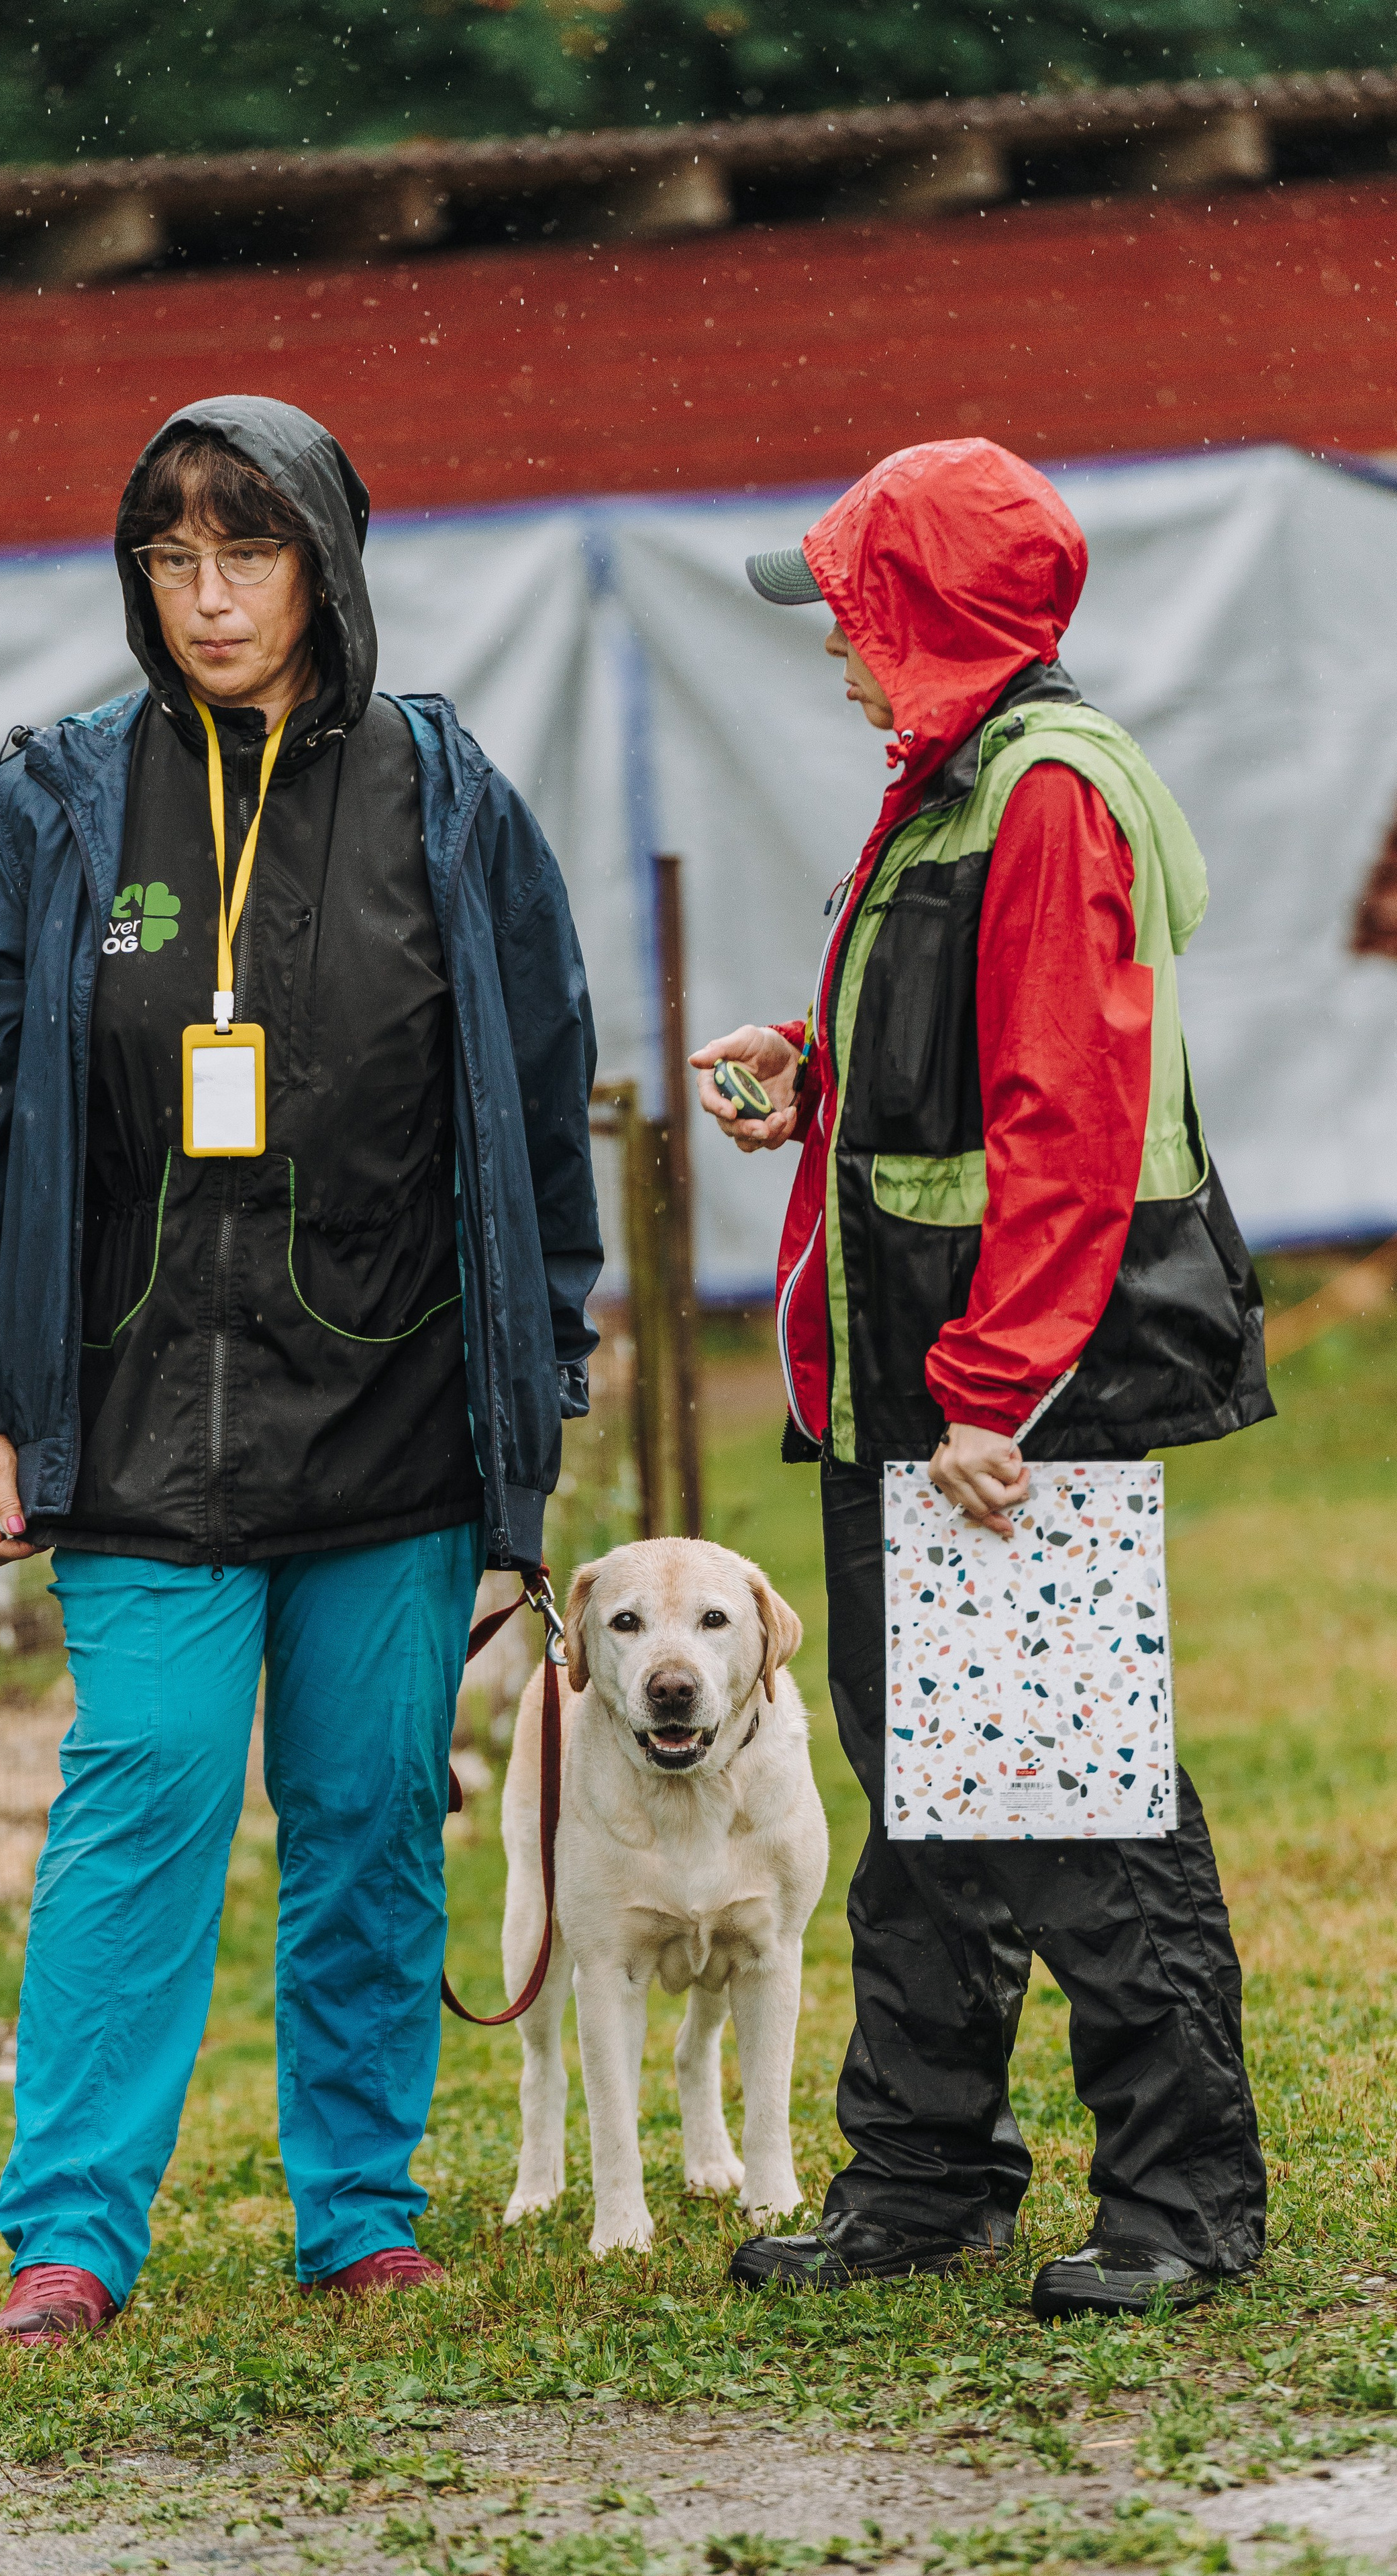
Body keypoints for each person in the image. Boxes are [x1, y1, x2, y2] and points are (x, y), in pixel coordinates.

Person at [0, 395, 601, 2338]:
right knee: (143, 1788)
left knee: (375, 1811)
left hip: (390, 1414)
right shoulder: (54, 801)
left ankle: (359, 2202)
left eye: (252, 552)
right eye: (173, 559)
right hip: (129, 1417)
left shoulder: (446, 796)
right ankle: (71, 2234)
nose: (211, 600)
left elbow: (542, 1119)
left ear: (330, 564)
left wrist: (531, 1408)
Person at [692, 438, 1272, 2322]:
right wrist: (813, 1064)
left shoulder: (1046, 797)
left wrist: (993, 1396)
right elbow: (964, 1055)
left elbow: (1073, 1115)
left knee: (1079, 1804)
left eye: (852, 617)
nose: (838, 658)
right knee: (924, 1792)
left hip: (1012, 1408)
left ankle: (1187, 2205)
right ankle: (924, 2180)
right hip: (925, 1392)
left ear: (921, 614)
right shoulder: (956, 784)